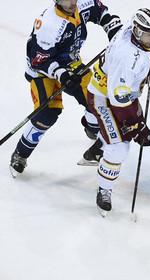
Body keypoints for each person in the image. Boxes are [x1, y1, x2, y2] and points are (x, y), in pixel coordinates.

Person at [9, 0, 122, 178]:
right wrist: (61, 74)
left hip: (70, 63)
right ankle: (21, 154)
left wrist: (113, 28)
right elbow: (38, 60)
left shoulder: (81, 4)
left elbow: (100, 11)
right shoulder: (49, 24)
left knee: (97, 98)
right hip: (42, 71)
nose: (72, 2)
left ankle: (92, 127)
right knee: (47, 113)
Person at [81, 8, 150, 212]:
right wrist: (137, 126)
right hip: (105, 99)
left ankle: (96, 150)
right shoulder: (126, 57)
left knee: (121, 133)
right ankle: (104, 190)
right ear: (136, 31)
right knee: (119, 146)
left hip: (121, 94)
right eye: (148, 34)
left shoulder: (133, 32)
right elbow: (120, 101)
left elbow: (142, 54)